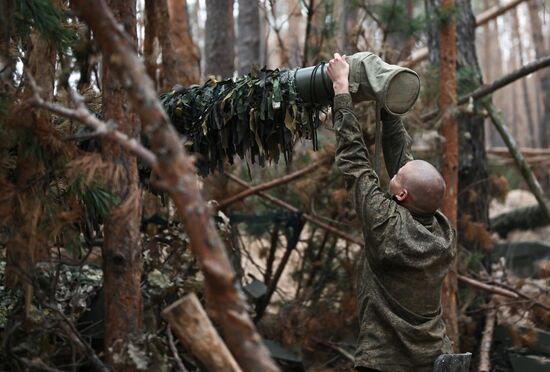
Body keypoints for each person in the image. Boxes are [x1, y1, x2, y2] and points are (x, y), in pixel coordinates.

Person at [326, 53, 456, 372]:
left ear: (401, 194)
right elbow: (402, 158)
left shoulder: (388, 229)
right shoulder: (441, 232)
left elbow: (356, 164)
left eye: (397, 176)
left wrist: (341, 89)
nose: (395, 171)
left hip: (384, 362)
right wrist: (387, 95)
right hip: (435, 356)